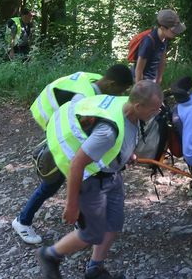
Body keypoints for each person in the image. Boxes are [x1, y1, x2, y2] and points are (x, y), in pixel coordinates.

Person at [37, 80, 163, 279]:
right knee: (92, 233)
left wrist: (125, 154)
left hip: (111, 175)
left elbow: (126, 135)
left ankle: (95, 270)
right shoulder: (107, 133)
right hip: (92, 180)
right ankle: (50, 255)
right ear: (139, 106)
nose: (157, 112)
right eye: (154, 109)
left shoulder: (128, 106)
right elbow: (77, 164)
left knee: (113, 222)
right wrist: (72, 204)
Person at [12, 65, 133, 245]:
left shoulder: (94, 84)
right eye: (120, 90)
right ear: (111, 84)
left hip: (68, 146)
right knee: (50, 187)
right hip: (64, 148)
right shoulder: (84, 98)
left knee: (77, 185)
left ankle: (81, 224)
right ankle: (22, 221)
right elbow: (78, 130)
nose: (119, 95)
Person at [133, 9, 186, 84]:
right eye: (174, 31)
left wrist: (159, 79)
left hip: (152, 79)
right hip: (143, 80)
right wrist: (139, 87)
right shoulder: (149, 41)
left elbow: (162, 59)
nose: (176, 33)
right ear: (163, 28)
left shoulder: (164, 38)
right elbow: (139, 69)